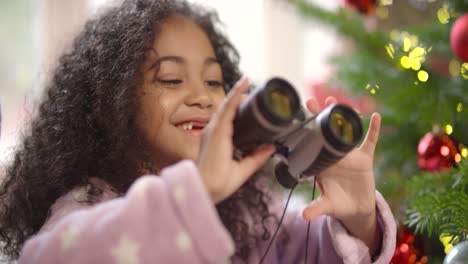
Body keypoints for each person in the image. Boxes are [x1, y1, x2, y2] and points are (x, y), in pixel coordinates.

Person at [0, 0, 396, 263]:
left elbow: (305, 254)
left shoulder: (248, 207)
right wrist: (195, 193)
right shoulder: (85, 210)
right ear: (110, 102)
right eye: (171, 79)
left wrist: (359, 219)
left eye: (212, 81)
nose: (202, 97)